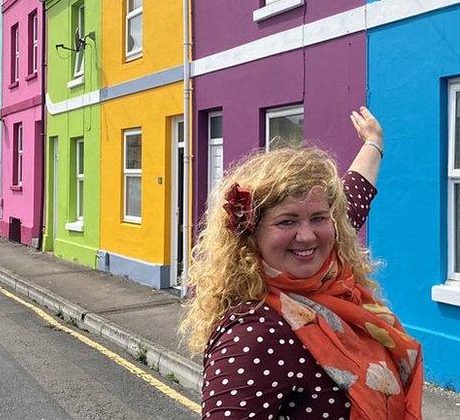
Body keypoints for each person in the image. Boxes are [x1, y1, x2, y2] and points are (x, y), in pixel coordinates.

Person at [180, 107, 423, 419]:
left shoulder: (329, 267)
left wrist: (373, 142)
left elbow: (355, 193)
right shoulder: (253, 335)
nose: (307, 236)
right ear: (251, 233)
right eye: (286, 221)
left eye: (319, 218)